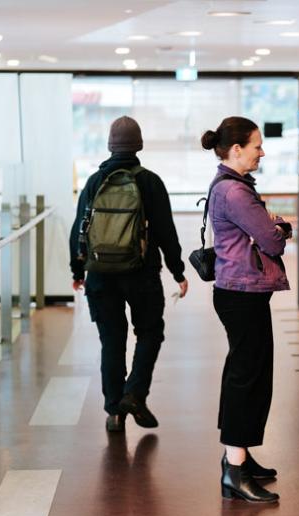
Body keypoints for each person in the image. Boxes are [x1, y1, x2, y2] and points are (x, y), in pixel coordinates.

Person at [69, 116, 188, 432]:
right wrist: (178, 271)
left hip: (99, 274)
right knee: (149, 332)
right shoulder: (150, 181)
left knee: (112, 339)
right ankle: (134, 393)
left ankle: (114, 411)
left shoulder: (95, 182)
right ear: (139, 145)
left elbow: (79, 228)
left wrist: (77, 268)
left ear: (109, 144)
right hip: (142, 274)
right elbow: (165, 232)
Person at [201, 116, 292, 503]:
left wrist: (273, 226)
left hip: (239, 290)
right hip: (242, 293)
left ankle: (238, 457)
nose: (262, 151)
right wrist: (281, 227)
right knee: (247, 377)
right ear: (236, 150)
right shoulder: (235, 193)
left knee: (247, 372)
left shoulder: (231, 186)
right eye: (256, 145)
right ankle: (235, 471)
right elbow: (272, 240)